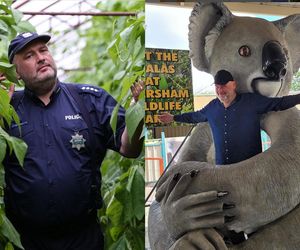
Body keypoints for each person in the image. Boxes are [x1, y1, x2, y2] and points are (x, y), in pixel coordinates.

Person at [1, 32, 144, 250]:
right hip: (27, 240)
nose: (40, 58)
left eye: (43, 50)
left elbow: (129, 148)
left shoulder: (89, 100)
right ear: (16, 72)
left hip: (82, 237)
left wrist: (138, 109)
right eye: (29, 55)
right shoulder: (8, 108)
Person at [159, 69, 300, 165]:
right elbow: (194, 116)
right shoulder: (212, 107)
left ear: (233, 85)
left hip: (250, 169)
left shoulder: (251, 101)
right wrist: (173, 118)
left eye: (224, 86)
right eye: (217, 87)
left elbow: (279, 103)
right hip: (223, 170)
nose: (220, 90)